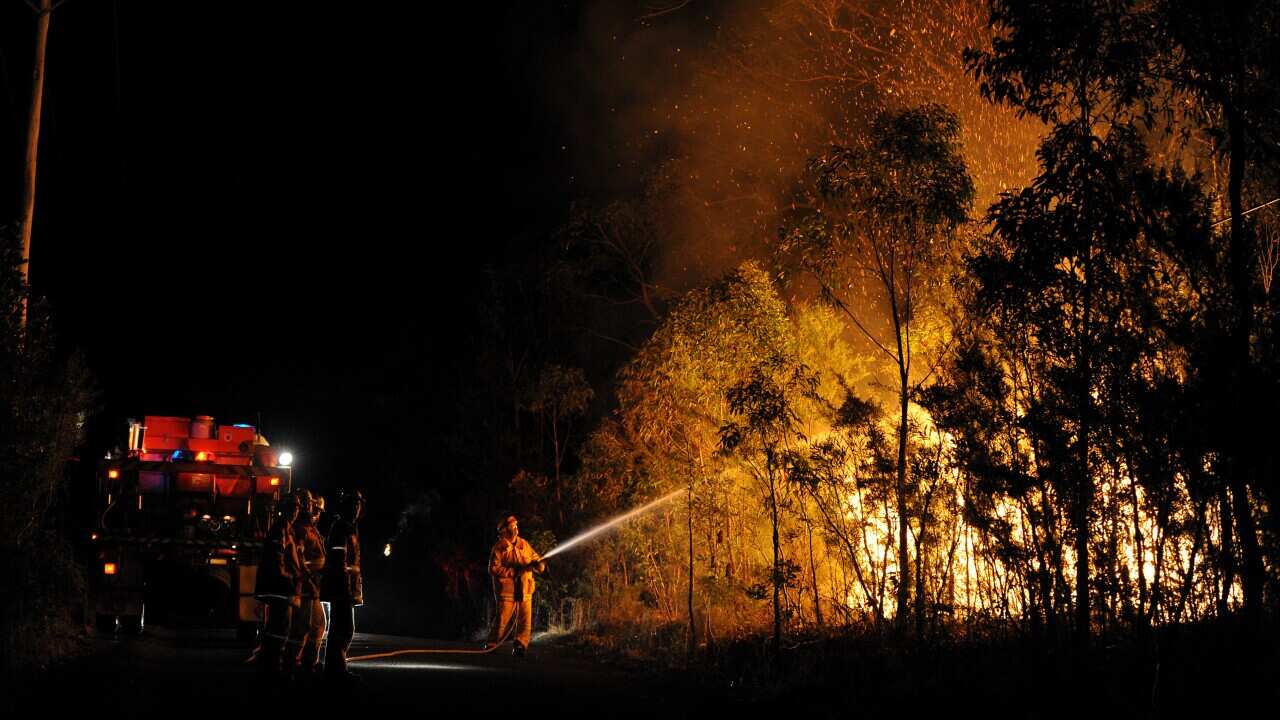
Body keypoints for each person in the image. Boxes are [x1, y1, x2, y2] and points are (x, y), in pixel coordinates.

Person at [254, 492, 303, 680]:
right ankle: (272, 668)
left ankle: (273, 665)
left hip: (285, 588)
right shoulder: (280, 529)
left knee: (280, 628)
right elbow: (278, 560)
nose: (295, 511)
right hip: (280, 588)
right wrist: (290, 578)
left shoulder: (288, 529)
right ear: (285, 509)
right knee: (278, 629)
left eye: (297, 507)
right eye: (293, 507)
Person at [486, 515, 545, 657]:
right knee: (502, 620)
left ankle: (520, 645)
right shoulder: (499, 548)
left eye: (516, 526)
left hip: (525, 589)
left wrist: (540, 566)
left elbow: (537, 559)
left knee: (525, 620)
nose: (516, 528)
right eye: (513, 526)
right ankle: (492, 645)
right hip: (507, 591)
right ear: (504, 530)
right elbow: (493, 569)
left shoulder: (524, 544)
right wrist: (512, 572)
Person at [321, 490, 364, 680]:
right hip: (341, 589)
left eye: (358, 504)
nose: (356, 508)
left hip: (347, 588)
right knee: (343, 628)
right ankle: (335, 670)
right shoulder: (341, 528)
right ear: (344, 506)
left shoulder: (349, 527)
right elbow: (339, 562)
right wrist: (346, 589)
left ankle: (336, 668)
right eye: (352, 504)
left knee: (344, 628)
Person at [285, 490, 327, 677]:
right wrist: (308, 578)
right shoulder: (302, 530)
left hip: (314, 587)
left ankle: (309, 662)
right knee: (302, 627)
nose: (317, 514)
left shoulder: (312, 530)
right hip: (306, 587)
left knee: (318, 625)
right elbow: (299, 559)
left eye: (318, 511)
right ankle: (293, 662)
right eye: (315, 510)